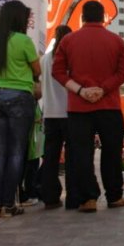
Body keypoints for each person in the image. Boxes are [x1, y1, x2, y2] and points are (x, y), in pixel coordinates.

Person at [52, 1, 124, 212]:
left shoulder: (68, 40)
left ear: (82, 17)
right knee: (112, 152)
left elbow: (57, 72)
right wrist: (103, 89)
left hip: (78, 107)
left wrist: (80, 90)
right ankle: (114, 196)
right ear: (103, 17)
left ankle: (88, 198)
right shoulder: (116, 40)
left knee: (81, 154)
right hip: (110, 106)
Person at [0, 0, 40, 218]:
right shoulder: (23, 40)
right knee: (17, 152)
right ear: (19, 19)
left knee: (2, 152)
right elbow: (36, 69)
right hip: (19, 98)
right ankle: (9, 203)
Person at [39, 25, 76, 210]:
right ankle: (73, 197)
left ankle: (50, 198)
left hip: (49, 113)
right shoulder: (70, 58)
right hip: (69, 112)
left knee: (50, 158)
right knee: (72, 157)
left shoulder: (44, 59)